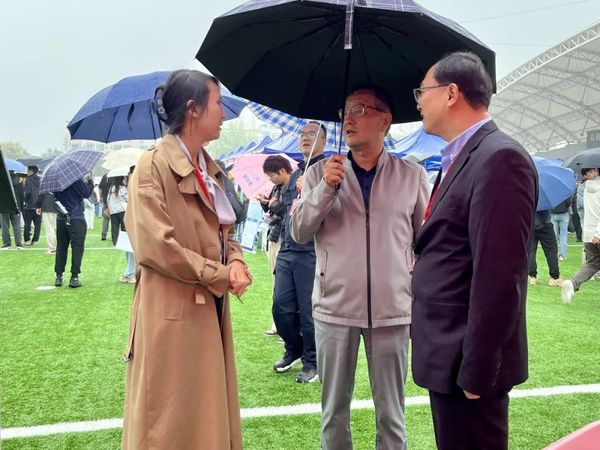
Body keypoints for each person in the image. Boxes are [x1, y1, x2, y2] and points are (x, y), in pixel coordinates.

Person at [290, 85, 430, 449]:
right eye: (345, 111)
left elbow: (426, 242)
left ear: (385, 120)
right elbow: (299, 232)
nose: (348, 120)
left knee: (392, 414)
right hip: (334, 308)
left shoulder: (411, 175)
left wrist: (415, 294)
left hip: (393, 311)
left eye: (359, 110)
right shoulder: (320, 173)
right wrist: (326, 188)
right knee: (334, 413)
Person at [410, 52, 537, 450]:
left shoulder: (499, 158)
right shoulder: (462, 156)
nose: (418, 101)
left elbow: (500, 278)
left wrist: (479, 372)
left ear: (451, 93)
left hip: (468, 365)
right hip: (448, 355)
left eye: (422, 91)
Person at [121, 69, 252, 450]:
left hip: (207, 306)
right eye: (217, 104)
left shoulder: (208, 167)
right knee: (168, 421)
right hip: (172, 312)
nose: (223, 114)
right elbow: (156, 246)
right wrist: (220, 273)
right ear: (194, 109)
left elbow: (225, 232)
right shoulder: (152, 166)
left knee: (205, 414)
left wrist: (236, 261)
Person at [271, 122, 325, 384]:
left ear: (323, 141)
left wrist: (312, 190)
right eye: (303, 134)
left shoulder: (327, 170)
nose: (306, 138)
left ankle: (312, 361)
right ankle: (293, 349)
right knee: (281, 307)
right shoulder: (294, 174)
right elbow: (288, 209)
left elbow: (329, 208)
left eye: (312, 135)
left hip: (310, 251)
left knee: (308, 311)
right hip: (287, 248)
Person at [258, 155, 293, 336]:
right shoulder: (276, 188)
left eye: (271, 175)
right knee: (276, 283)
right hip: (274, 236)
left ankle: (288, 328)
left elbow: (291, 212)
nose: (270, 179)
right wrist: (266, 204)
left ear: (282, 171)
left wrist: (276, 205)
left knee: (285, 286)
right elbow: (275, 211)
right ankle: (278, 324)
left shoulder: (294, 187)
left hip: (287, 241)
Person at [561, 167, 600, 303]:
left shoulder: (584, 188)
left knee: (592, 264)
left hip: (588, 234)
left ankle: (573, 283)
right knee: (593, 263)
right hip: (597, 233)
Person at [53, 175, 95, 288]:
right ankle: (74, 277)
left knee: (61, 247)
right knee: (77, 247)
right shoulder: (75, 178)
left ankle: (59, 276)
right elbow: (86, 193)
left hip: (61, 217)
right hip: (76, 217)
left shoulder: (57, 180)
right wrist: (90, 181)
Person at [529, 210, 563, 287]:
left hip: (531, 224)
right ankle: (554, 277)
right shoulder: (545, 202)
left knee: (531, 251)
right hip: (546, 224)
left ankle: (532, 277)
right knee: (551, 251)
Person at [0, 171, 24, 250]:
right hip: (16, 205)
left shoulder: (2, 179)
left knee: (5, 226)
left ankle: (6, 244)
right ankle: (19, 244)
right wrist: (21, 206)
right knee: (17, 225)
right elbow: (21, 194)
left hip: (4, 206)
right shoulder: (19, 179)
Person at [23, 165, 41, 245]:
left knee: (27, 224)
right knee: (38, 225)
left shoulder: (28, 180)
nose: (27, 172)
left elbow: (28, 193)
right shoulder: (40, 180)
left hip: (29, 206)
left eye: (27, 170)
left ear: (31, 171)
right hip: (39, 206)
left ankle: (27, 240)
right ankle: (35, 240)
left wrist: (24, 200)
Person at [98, 173, 111, 240]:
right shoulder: (118, 175)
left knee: (106, 218)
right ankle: (115, 235)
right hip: (116, 202)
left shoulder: (105, 176)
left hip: (106, 201)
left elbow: (100, 188)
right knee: (115, 220)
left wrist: (101, 197)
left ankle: (104, 234)